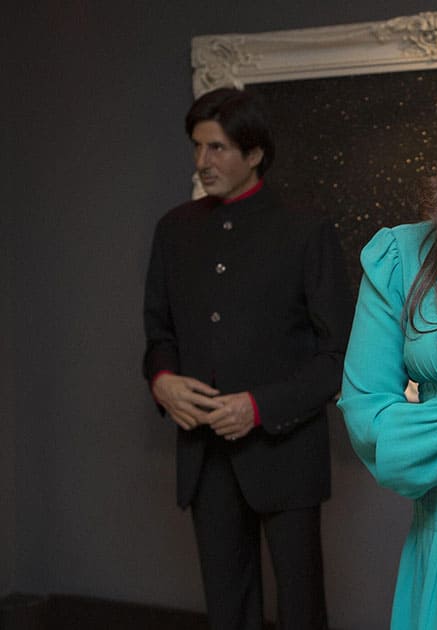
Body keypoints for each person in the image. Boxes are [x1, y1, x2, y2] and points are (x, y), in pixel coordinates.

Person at [142, 87, 351, 630]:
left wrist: (258, 407)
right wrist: (162, 380)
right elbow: (159, 334)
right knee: (227, 613)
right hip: (204, 455)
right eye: (197, 147)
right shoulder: (174, 230)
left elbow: (337, 358)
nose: (201, 162)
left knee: (302, 613)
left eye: (216, 148)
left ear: (254, 153)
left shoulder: (306, 230)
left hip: (286, 453)